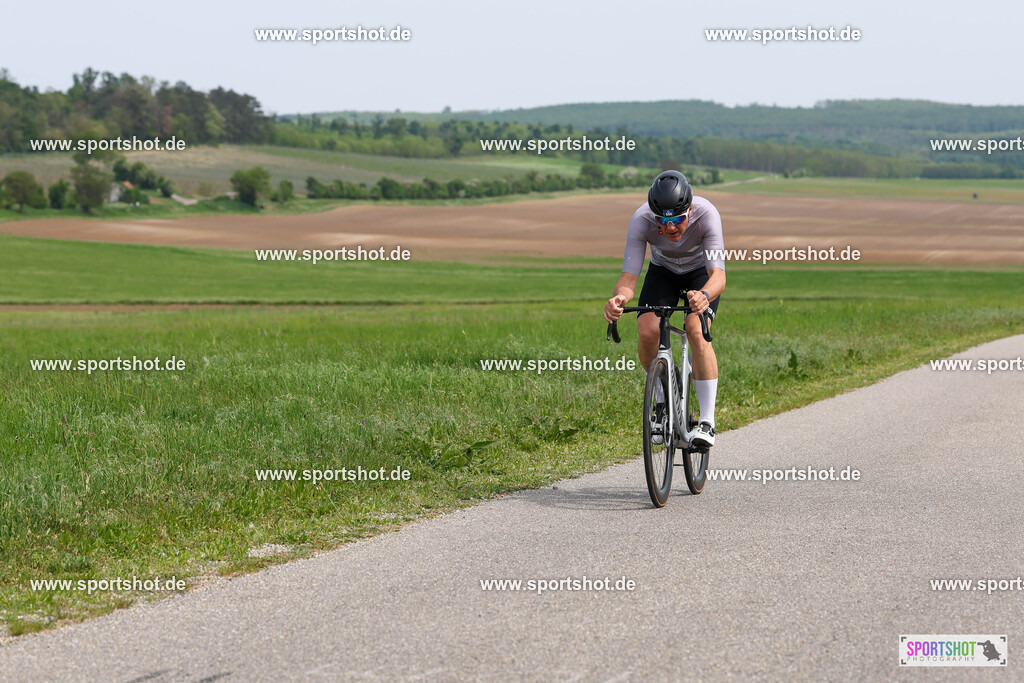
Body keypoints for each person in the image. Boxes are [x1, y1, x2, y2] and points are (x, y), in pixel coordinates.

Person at [603, 170, 725, 448]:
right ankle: (662, 400)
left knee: (696, 330)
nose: (670, 228)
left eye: (678, 220)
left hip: (700, 275)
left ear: (690, 210)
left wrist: (704, 295)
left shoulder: (707, 214)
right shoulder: (641, 219)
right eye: (663, 221)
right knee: (647, 331)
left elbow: (718, 275)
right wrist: (619, 299)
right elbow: (629, 277)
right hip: (663, 272)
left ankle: (707, 421)